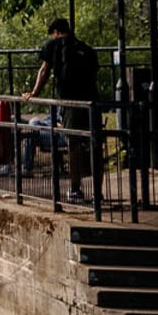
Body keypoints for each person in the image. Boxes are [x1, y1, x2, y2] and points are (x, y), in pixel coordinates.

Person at [27, 15, 101, 200]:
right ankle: (98, 192)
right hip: (92, 101)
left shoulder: (55, 45)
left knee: (73, 145)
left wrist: (34, 93)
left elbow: (44, 70)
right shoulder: (85, 48)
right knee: (94, 144)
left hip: (71, 102)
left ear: (56, 32)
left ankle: (75, 189)